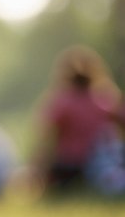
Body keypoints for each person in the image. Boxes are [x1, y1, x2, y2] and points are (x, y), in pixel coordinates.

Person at [34, 46, 121, 192]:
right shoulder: (106, 99)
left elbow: (45, 138)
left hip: (70, 167)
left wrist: (37, 170)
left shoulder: (61, 101)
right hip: (100, 165)